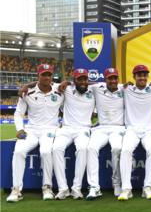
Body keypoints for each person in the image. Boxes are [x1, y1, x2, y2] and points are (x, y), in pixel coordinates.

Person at [6, 64, 63, 202]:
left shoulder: (59, 90)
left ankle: (47, 187)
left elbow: (77, 85)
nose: (46, 77)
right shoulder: (27, 92)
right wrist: (19, 129)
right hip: (31, 130)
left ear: (52, 76)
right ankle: (16, 189)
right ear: (38, 76)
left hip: (50, 130)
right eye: (43, 74)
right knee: (19, 151)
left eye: (49, 74)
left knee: (45, 151)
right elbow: (18, 113)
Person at [52, 68, 95, 200]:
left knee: (82, 149)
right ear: (74, 80)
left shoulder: (94, 91)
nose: (82, 82)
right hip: (66, 128)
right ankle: (63, 188)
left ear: (88, 80)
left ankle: (76, 188)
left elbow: (110, 84)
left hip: (83, 129)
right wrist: (27, 85)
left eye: (85, 79)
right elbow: (44, 84)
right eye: (79, 79)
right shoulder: (67, 89)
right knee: (56, 149)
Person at [118, 65, 151, 201]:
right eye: (139, 75)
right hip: (131, 129)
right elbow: (104, 85)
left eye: (144, 75)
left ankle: (147, 188)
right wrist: (67, 83)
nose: (142, 77)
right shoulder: (126, 89)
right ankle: (126, 189)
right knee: (125, 151)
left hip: (149, 129)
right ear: (134, 76)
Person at [85, 68, 125, 199]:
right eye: (110, 78)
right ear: (105, 79)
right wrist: (28, 85)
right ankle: (94, 187)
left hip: (118, 128)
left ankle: (117, 183)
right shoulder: (97, 88)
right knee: (91, 148)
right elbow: (80, 83)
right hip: (101, 128)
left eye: (115, 78)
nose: (113, 80)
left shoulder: (124, 89)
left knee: (117, 148)